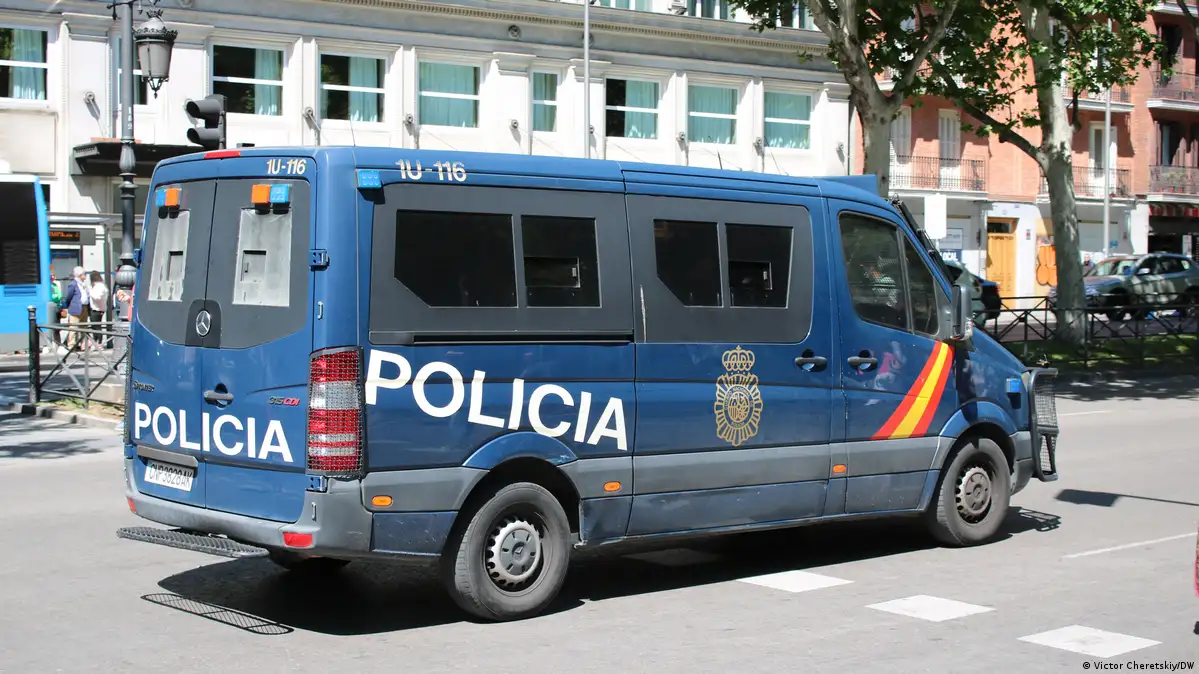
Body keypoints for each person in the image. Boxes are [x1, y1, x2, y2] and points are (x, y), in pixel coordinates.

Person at [60, 266, 90, 351]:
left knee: (84, 327)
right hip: (76, 308)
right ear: (79, 275)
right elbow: (69, 296)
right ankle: (71, 345)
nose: (85, 276)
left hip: (84, 307)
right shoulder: (73, 284)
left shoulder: (83, 284)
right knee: (74, 328)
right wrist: (69, 306)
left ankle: (84, 345)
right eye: (84, 274)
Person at [88, 271, 109, 349]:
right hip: (99, 308)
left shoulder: (99, 286)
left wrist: (90, 292)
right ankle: (96, 342)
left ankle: (99, 343)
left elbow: (97, 297)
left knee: (97, 327)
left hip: (97, 309)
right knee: (95, 327)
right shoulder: (101, 285)